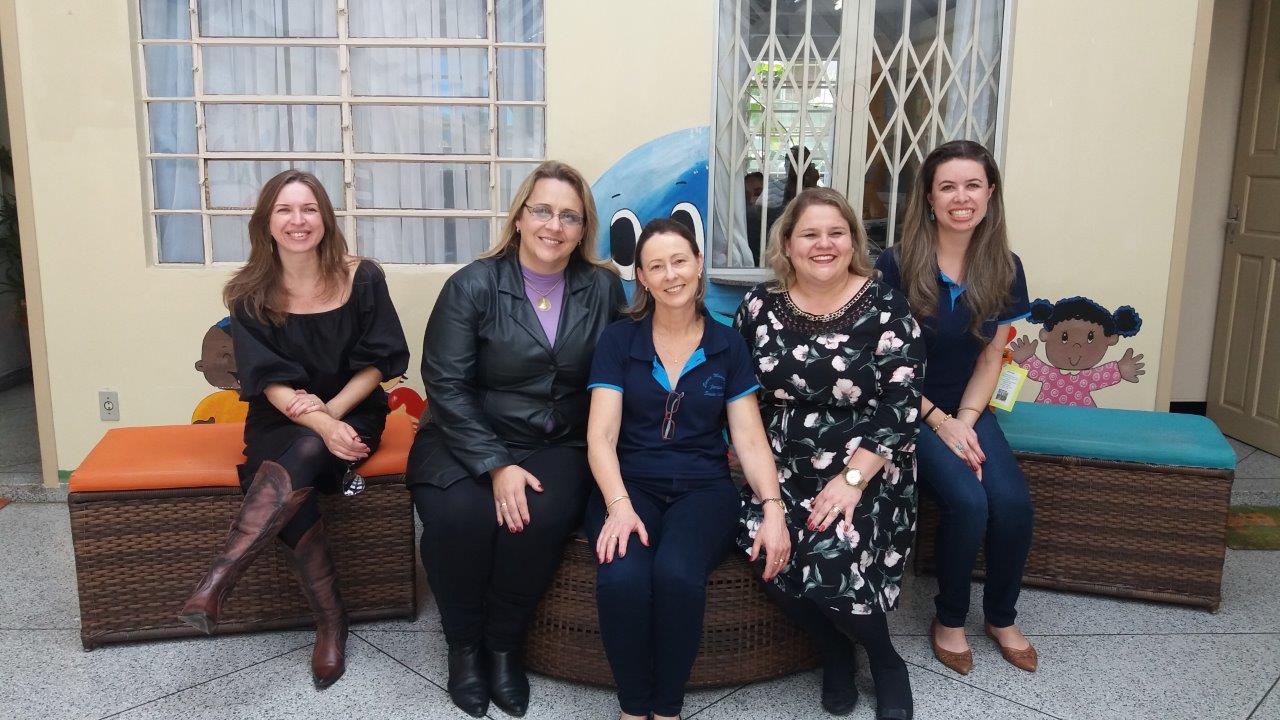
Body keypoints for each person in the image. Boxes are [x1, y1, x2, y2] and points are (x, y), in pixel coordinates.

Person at [407, 161, 625, 718]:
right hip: (463, 436)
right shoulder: (473, 284)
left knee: (537, 519)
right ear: (521, 216)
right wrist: (496, 464)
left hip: (557, 441)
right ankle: (464, 647)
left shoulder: (602, 287)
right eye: (543, 210)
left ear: (584, 228)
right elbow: (446, 385)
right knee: (459, 519)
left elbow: (624, 363)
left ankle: (503, 647)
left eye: (569, 216)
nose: (554, 225)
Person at [179, 169, 410, 690]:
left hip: (354, 407)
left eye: (309, 209)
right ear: (267, 222)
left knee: (302, 453)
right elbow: (267, 381)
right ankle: (331, 622)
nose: (298, 220)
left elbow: (381, 362)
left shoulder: (363, 277)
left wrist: (331, 415)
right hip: (280, 415)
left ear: (325, 219)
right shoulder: (247, 294)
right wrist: (320, 424)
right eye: (284, 210)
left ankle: (221, 578)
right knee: (301, 452)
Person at [585, 219, 791, 720]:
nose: (670, 274)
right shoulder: (619, 341)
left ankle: (667, 708)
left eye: (679, 261)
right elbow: (600, 437)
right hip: (628, 486)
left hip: (704, 490)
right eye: (656, 266)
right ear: (641, 277)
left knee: (678, 575)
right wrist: (618, 506)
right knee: (622, 578)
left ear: (698, 264)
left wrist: (773, 508)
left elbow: (748, 438)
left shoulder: (727, 344)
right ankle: (634, 708)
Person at [737, 187, 923, 720]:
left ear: (853, 241)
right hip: (781, 468)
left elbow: (903, 399)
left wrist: (852, 480)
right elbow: (738, 392)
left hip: (866, 466)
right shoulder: (759, 307)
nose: (824, 244)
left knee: (831, 555)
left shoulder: (884, 305)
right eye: (810, 234)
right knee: (761, 547)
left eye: (836, 233)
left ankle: (885, 661)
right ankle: (834, 651)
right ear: (787, 245)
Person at [874, 139, 1037, 675]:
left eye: (972, 185)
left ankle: (1001, 617)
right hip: (906, 407)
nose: (960, 197)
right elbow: (884, 362)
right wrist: (940, 422)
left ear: (991, 194)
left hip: (967, 407)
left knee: (1012, 503)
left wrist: (965, 421)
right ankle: (949, 620)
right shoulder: (896, 264)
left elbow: (992, 356)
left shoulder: (1005, 267)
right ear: (928, 197)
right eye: (947, 186)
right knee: (969, 503)